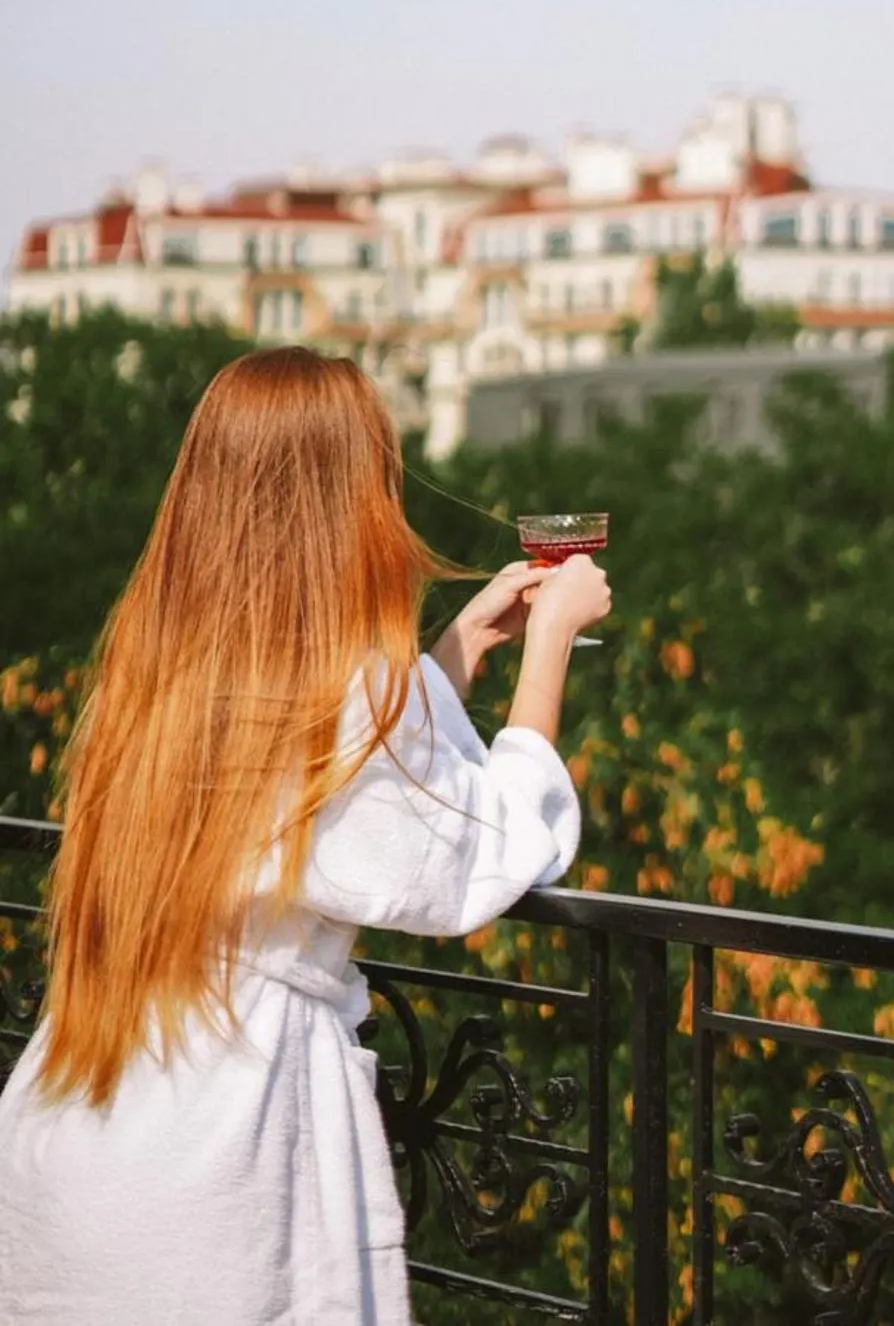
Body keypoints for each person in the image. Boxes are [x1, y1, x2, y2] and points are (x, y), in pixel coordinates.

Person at [0, 347, 610, 1326]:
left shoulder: (155, 670)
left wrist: (449, 656)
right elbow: (471, 856)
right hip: (217, 1169)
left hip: (80, 1137)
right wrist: (547, 656)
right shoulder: (345, 690)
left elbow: (297, 786)